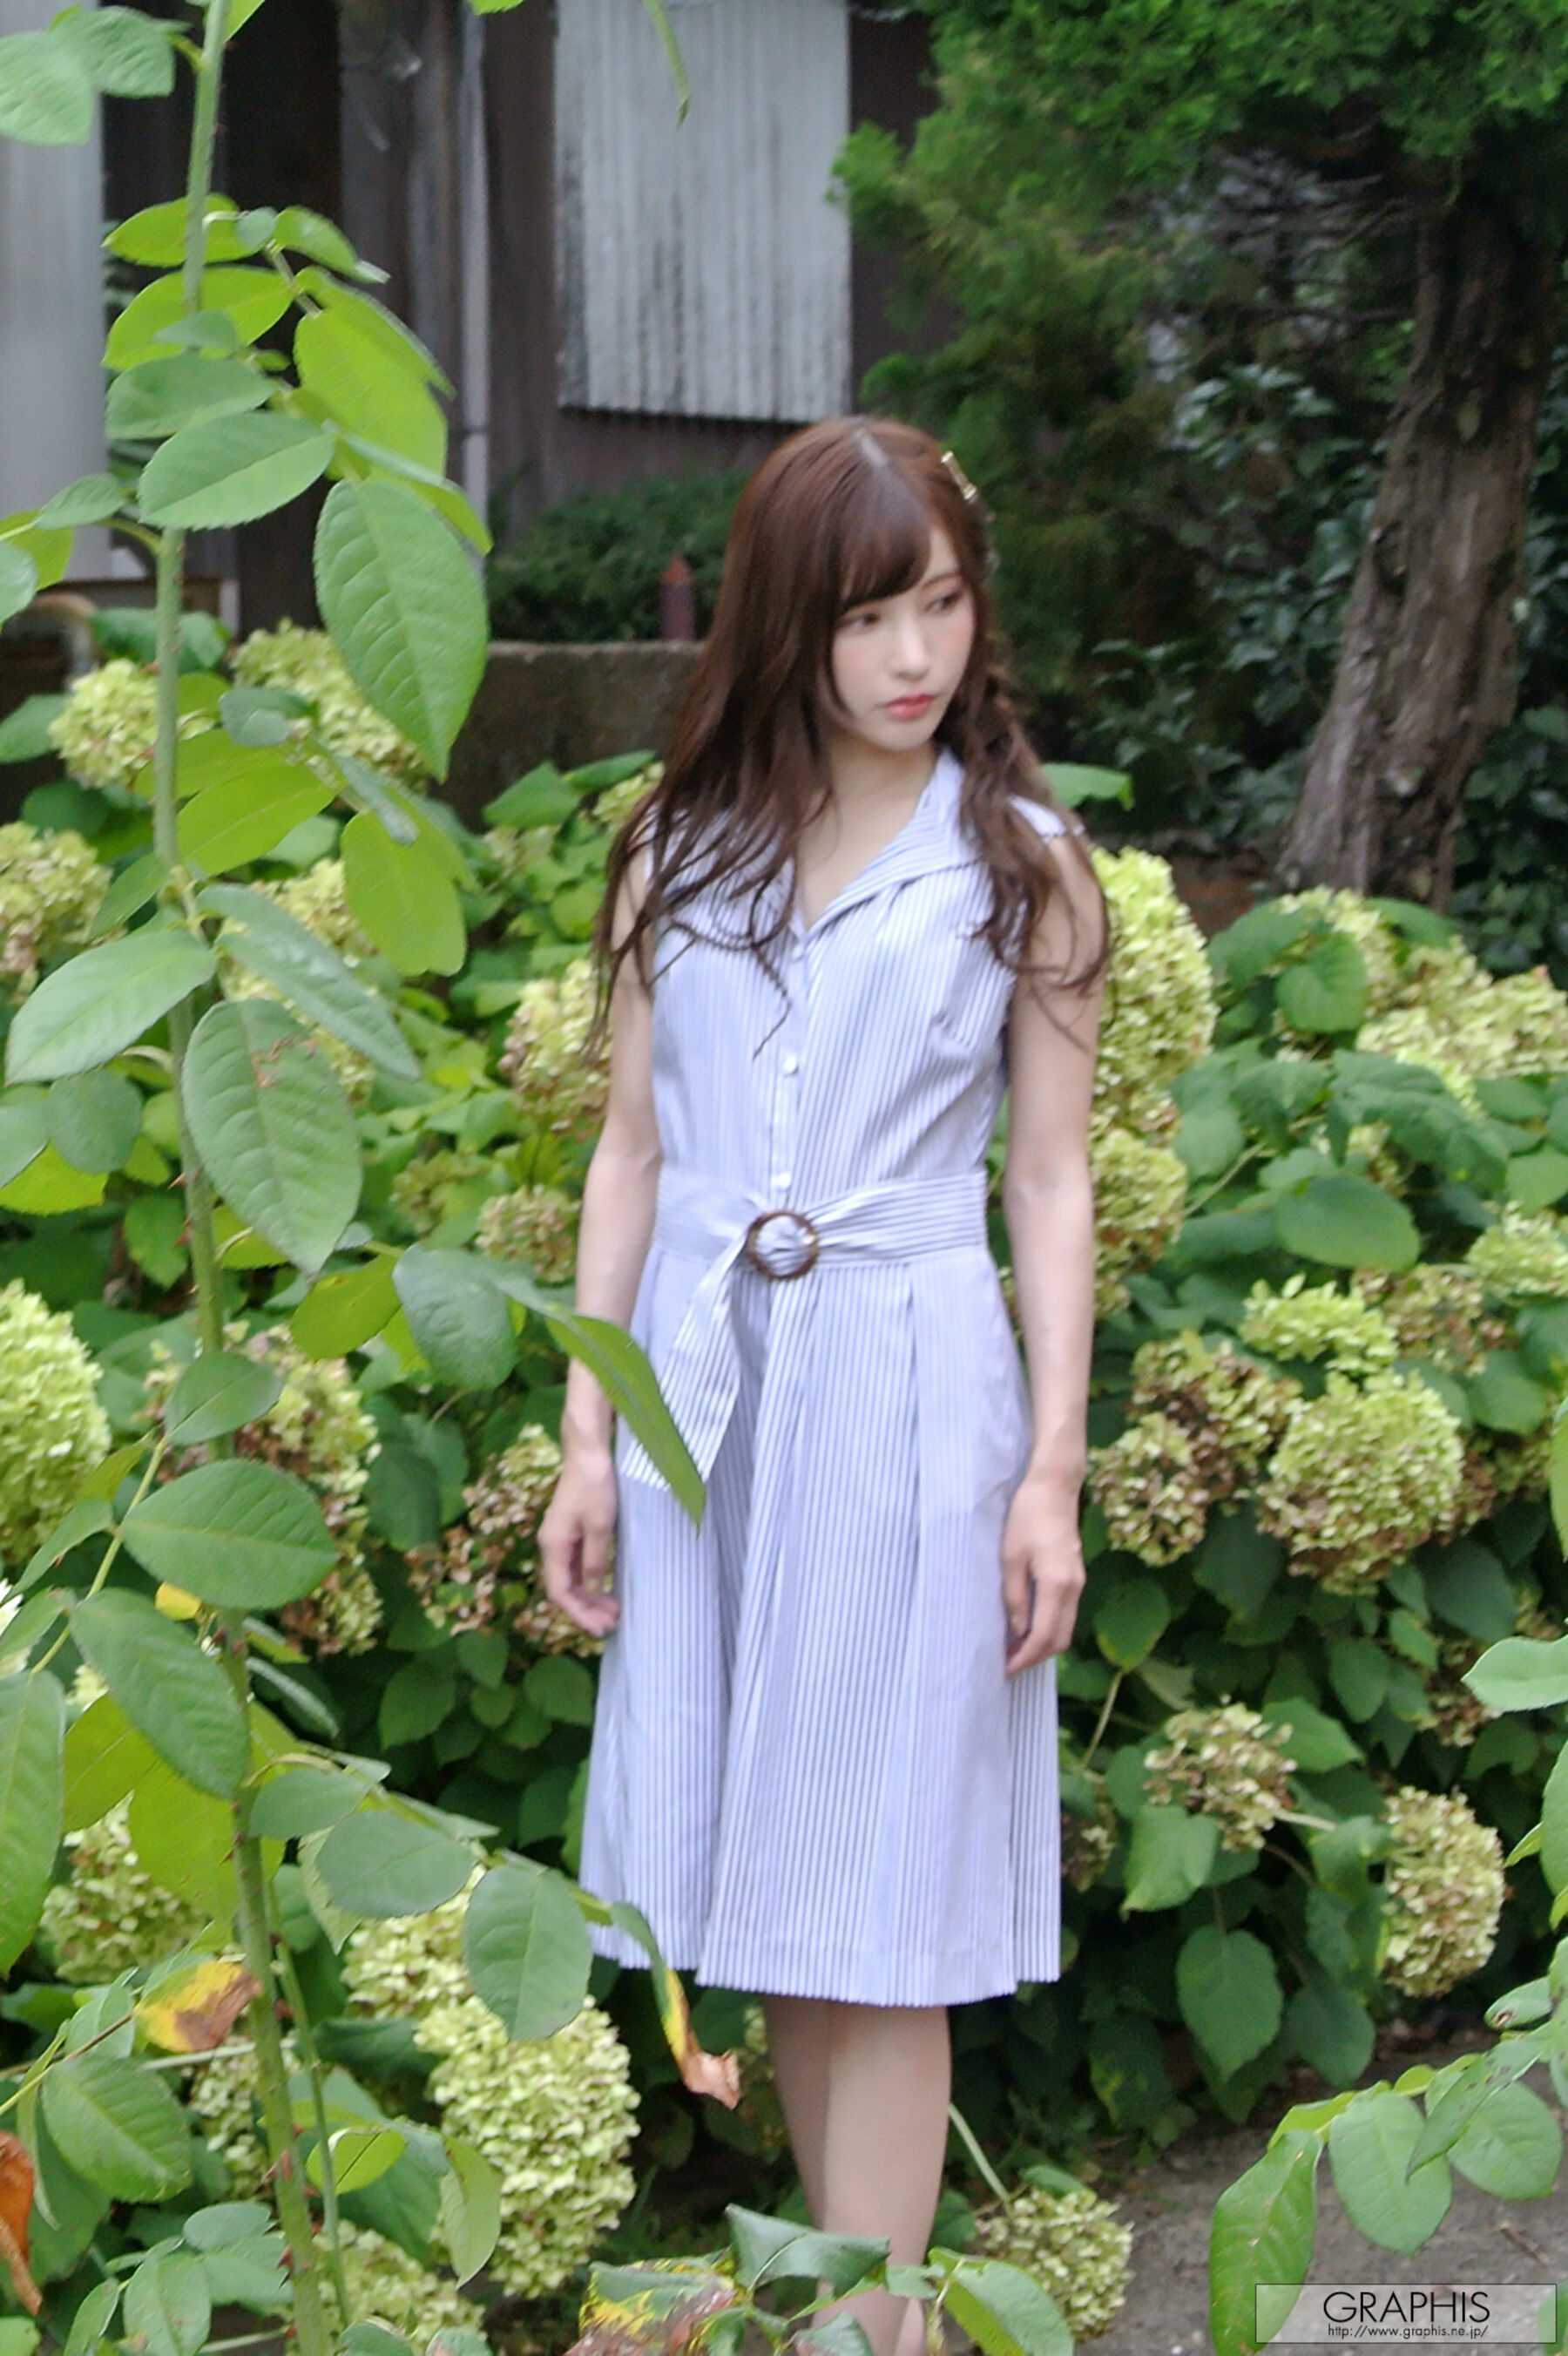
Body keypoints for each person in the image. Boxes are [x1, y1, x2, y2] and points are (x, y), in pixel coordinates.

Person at [538, 414, 1111, 2356]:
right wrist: (590, 1432)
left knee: (881, 1896)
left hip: (905, 1389)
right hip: (709, 1395)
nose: (914, 655)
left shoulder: (1021, 869)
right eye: (869, 615)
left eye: (941, 602)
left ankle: (886, 2333)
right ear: (789, 621)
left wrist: (1051, 1473)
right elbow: (632, 1150)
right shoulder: (676, 852)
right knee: (778, 1892)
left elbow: (1049, 1181)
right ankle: (859, 2320)